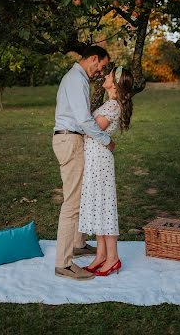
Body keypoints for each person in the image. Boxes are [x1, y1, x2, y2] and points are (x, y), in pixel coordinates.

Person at [53, 45, 115, 281]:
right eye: (101, 65)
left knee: (79, 195)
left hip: (70, 137)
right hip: (69, 139)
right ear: (93, 59)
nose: (101, 71)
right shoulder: (76, 79)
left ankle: (78, 244)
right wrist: (106, 140)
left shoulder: (76, 78)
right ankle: (64, 264)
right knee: (72, 203)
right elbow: (84, 119)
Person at [79, 66, 134, 276]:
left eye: (109, 74)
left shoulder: (112, 106)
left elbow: (92, 128)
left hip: (100, 161)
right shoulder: (109, 103)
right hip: (94, 159)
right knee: (97, 207)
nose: (105, 75)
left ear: (116, 82)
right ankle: (101, 255)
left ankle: (113, 257)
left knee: (104, 206)